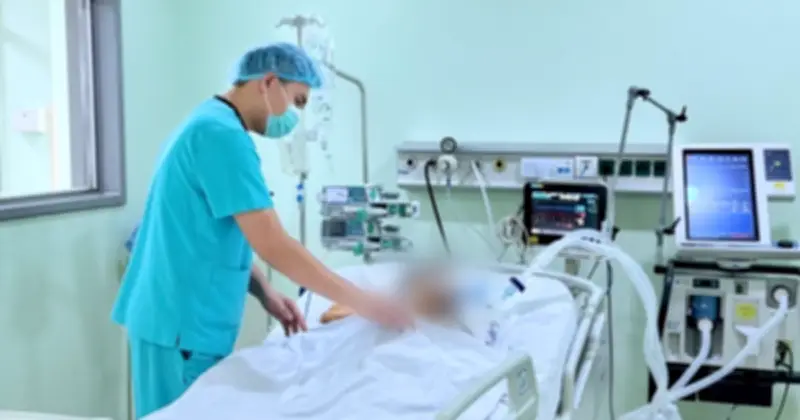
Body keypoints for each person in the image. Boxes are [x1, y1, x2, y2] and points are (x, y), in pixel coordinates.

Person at [111, 42, 413, 419]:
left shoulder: (209, 122)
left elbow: (214, 232)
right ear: (269, 82)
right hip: (181, 327)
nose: (294, 117)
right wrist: (364, 301)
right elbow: (272, 242)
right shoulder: (222, 137)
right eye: (297, 101)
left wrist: (265, 291)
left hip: (177, 318)